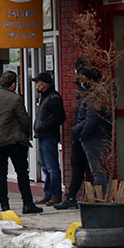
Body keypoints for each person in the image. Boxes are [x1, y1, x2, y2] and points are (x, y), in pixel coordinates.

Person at [0, 72, 43, 214]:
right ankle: (27, 203)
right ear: (14, 84)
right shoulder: (16, 99)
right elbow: (24, 120)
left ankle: (4, 206)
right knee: (22, 173)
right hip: (15, 141)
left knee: (0, 173)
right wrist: (26, 135)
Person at [70, 67, 112, 198]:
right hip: (96, 135)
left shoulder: (94, 98)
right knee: (96, 169)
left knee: (97, 170)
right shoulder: (96, 96)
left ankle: (100, 197)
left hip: (93, 137)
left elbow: (91, 120)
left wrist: (82, 135)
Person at [55, 73, 91, 210]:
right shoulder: (83, 91)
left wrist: (78, 132)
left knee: (85, 167)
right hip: (80, 135)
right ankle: (72, 196)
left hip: (84, 136)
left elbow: (89, 119)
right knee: (78, 166)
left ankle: (73, 197)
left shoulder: (88, 94)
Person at [31, 72, 66, 207]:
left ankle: (56, 195)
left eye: (38, 83)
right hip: (42, 136)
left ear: (44, 84)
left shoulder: (53, 98)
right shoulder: (44, 97)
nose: (36, 86)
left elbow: (60, 117)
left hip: (49, 136)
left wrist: (45, 125)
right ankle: (48, 193)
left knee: (52, 167)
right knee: (45, 167)